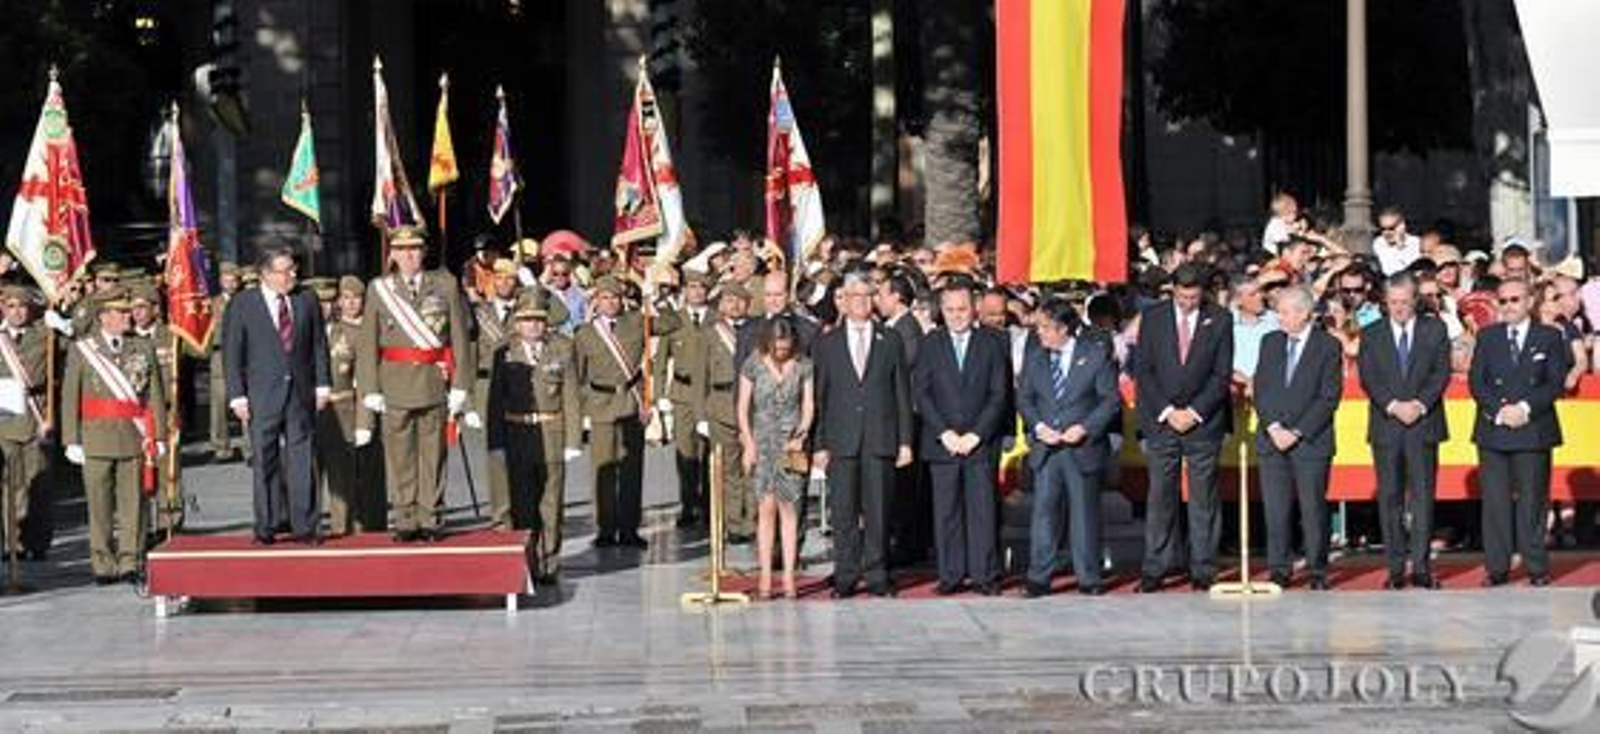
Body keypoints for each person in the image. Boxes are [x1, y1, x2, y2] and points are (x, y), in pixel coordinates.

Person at [355, 226, 475, 542]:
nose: (409, 256)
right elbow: (367, 342)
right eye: (402, 249)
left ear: (424, 252)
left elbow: (461, 339)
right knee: (399, 457)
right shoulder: (378, 289)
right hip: (393, 383)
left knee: (433, 455)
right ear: (392, 254)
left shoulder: (445, 284)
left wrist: (462, 384)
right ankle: (406, 518)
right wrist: (369, 389)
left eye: (415, 249)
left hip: (433, 382)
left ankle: (431, 517)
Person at [1132, 262, 1234, 592]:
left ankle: (1203, 566)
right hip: (1162, 422)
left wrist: (1193, 412)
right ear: (1172, 290)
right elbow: (1143, 371)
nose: (1187, 302)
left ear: (1202, 292)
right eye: (1181, 296)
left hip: (1202, 423)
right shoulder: (1154, 317)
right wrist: (1167, 411)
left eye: (1193, 296)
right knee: (1161, 494)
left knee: (1204, 496)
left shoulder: (1219, 319)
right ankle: (1156, 565)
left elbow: (1221, 374)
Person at [812, 271, 913, 598]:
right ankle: (846, 574)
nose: (862, 302)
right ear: (843, 300)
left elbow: (901, 393)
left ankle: (877, 573)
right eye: (855, 297)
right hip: (841, 441)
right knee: (842, 512)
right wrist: (820, 443)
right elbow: (821, 396)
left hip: (880, 437)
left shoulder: (890, 339)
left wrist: (905, 441)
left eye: (868, 296)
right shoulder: (827, 343)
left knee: (878, 510)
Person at [223, 245, 331, 545]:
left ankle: (305, 526)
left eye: (294, 269)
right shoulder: (244, 304)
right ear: (266, 274)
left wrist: (323, 384)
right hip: (261, 396)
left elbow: (318, 346)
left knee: (302, 460)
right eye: (286, 271)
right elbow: (233, 353)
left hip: (300, 393)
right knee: (265, 461)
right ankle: (267, 525)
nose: (293, 275)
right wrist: (237, 396)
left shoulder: (306, 298)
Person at [61, 287, 167, 584]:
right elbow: (70, 396)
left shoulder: (141, 347)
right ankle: (103, 563)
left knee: (134, 503)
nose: (127, 316)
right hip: (95, 437)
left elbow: (154, 394)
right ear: (104, 316)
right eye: (121, 312)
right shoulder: (82, 349)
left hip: (134, 436)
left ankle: (130, 561)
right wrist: (71, 439)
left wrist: (157, 435)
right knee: (99, 505)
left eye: (127, 310)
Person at [1468, 278, 1570, 587]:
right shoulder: (1488, 336)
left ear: (1529, 302)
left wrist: (1524, 408)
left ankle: (1536, 567)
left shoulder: (1550, 336)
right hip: (1494, 427)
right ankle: (1497, 568)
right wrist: (1501, 411)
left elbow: (1554, 382)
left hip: (1533, 428)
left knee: (1532, 501)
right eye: (1503, 300)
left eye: (1515, 299)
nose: (1509, 306)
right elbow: (1477, 381)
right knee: (1495, 503)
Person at [1015, 300, 1118, 597]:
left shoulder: (1096, 355)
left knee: (1084, 513)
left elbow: (1109, 401)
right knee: (1044, 512)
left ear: (1063, 329)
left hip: (1081, 446)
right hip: (1047, 448)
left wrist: (1085, 427)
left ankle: (1088, 576)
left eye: (1046, 328)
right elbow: (1025, 399)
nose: (1040, 333)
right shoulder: (1035, 357)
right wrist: (1038, 427)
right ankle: (1039, 576)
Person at [913, 283, 1010, 596]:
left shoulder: (994, 342)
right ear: (942, 310)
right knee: (946, 512)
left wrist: (976, 434)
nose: (956, 315)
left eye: (962, 309)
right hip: (942, 442)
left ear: (974, 308)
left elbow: (999, 394)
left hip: (980, 443)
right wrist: (945, 433)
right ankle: (951, 574)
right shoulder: (930, 343)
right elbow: (922, 392)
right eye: (950, 309)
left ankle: (985, 575)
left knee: (982, 510)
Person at [1357, 274, 1451, 589]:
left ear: (1415, 300)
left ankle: (1422, 567)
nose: (1399, 308)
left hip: (1423, 424)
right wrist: (1395, 405)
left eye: (1404, 301)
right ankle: (1396, 568)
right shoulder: (1371, 333)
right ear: (1385, 301)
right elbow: (1368, 378)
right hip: (1387, 425)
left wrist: (1420, 405)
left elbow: (1441, 373)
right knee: (1390, 497)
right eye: (1393, 302)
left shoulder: (1434, 329)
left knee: (1423, 497)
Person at [574, 275, 680, 549]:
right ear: (596, 301)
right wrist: (583, 410)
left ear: (622, 299)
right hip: (600, 403)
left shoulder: (635, 322)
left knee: (632, 469)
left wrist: (657, 298)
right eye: (604, 298)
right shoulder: (585, 333)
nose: (610, 303)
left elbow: (672, 323)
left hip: (632, 403)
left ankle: (630, 528)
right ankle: (606, 528)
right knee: (603, 470)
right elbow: (578, 375)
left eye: (615, 297)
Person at [1252, 285, 1343, 590]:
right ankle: (1279, 567)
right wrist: (1274, 427)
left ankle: (1317, 568)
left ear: (1305, 313)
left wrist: (1297, 431)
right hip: (1272, 438)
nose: (1281, 318)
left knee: (1312, 507)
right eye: (1279, 312)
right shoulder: (1270, 342)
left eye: (1287, 312)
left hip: (1310, 441)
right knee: (1276, 508)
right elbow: (1261, 388)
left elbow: (1329, 396)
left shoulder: (1327, 346)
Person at [487, 290, 582, 582]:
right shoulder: (503, 352)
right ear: (517, 323)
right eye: (527, 320)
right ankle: (525, 563)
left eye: (539, 320)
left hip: (551, 431)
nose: (533, 326)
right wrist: (496, 442)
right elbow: (495, 402)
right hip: (517, 433)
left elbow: (571, 396)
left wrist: (573, 440)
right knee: (523, 504)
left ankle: (549, 563)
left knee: (551, 503)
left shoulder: (563, 348)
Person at [737, 318, 814, 600]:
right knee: (766, 509)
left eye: (786, 347)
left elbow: (808, 405)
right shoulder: (753, 363)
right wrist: (748, 443)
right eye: (777, 347)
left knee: (790, 509)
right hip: (763, 442)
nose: (782, 352)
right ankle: (766, 576)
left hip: (791, 443)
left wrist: (802, 434)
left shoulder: (804, 365)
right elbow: (743, 407)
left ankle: (790, 576)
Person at [319, 276, 384, 536]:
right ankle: (333, 525)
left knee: (351, 473)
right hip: (321, 408)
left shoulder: (360, 332)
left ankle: (351, 527)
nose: (350, 303)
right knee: (330, 473)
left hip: (350, 406)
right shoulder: (331, 330)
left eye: (355, 298)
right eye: (345, 299)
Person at [696, 281, 757, 544]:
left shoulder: (758, 331)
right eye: (729, 300)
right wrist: (700, 415)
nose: (734, 305)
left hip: (753, 406)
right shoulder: (709, 334)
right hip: (721, 405)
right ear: (721, 304)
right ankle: (734, 524)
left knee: (753, 466)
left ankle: (754, 520)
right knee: (729, 468)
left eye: (740, 299)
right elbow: (701, 376)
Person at [659, 269, 712, 529]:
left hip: (710, 395)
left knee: (709, 453)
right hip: (682, 394)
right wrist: (660, 395)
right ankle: (688, 504)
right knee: (685, 453)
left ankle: (710, 505)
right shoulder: (674, 320)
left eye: (702, 287)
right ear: (684, 291)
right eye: (692, 287)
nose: (697, 292)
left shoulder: (716, 318)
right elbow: (660, 361)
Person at [0, 286, 50, 560]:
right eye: (11, 306)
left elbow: (79, 338)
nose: (17, 312)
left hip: (35, 416)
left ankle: (38, 541)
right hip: (5, 417)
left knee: (38, 483)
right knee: (10, 484)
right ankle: (11, 543)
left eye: (22, 306)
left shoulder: (43, 334)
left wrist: (63, 321)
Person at [209, 261, 245, 461]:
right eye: (226, 279)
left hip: (243, 357)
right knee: (219, 402)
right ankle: (221, 446)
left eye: (233, 280)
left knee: (247, 401)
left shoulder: (245, 301)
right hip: (220, 356)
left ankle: (250, 447)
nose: (229, 283)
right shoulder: (212, 304)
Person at [1372, 207, 1422, 277]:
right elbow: (1387, 270)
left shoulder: (1416, 243)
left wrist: (1401, 247)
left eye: (1391, 228)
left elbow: (1413, 269)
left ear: (1402, 225)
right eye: (1383, 229)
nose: (1387, 233)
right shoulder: (1378, 243)